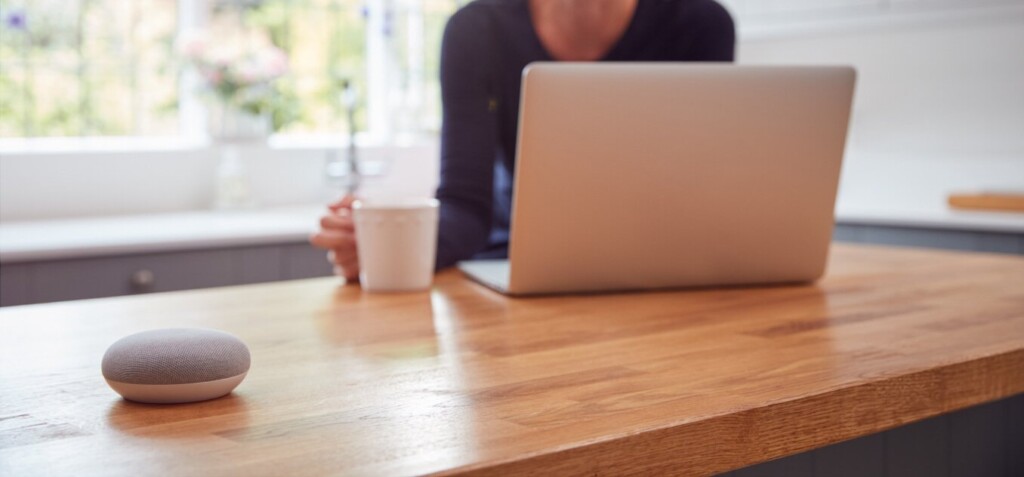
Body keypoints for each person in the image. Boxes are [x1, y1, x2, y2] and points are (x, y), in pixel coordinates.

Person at [311, 0, 735, 281]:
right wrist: (390, 244)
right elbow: (466, 207)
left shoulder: (701, 24)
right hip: (513, 268)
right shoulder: (476, 30)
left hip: (666, 280)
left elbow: (701, 197)